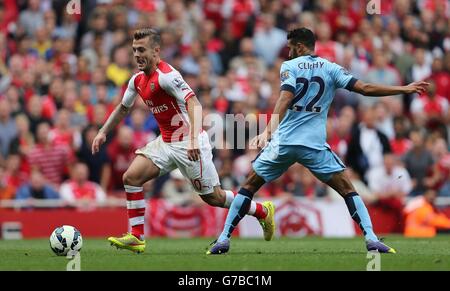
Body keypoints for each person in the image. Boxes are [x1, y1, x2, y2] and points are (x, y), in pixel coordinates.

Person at [207, 27, 429, 255]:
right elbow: (364, 88)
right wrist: (403, 89)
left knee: (248, 187)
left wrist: (268, 131)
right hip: (313, 146)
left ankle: (223, 239)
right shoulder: (330, 67)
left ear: (301, 46)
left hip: (284, 143)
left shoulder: (289, 67)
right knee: (348, 190)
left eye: (291, 48)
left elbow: (285, 96)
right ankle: (371, 239)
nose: (289, 52)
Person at [91, 28, 274, 254]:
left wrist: (194, 140)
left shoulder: (168, 76)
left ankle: (261, 211)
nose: (137, 55)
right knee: (131, 177)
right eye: (134, 50)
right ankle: (137, 237)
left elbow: (194, 104)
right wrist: (103, 131)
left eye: (142, 50)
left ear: (156, 51)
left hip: (189, 142)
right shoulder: (137, 80)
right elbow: (123, 107)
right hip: (166, 142)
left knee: (213, 197)